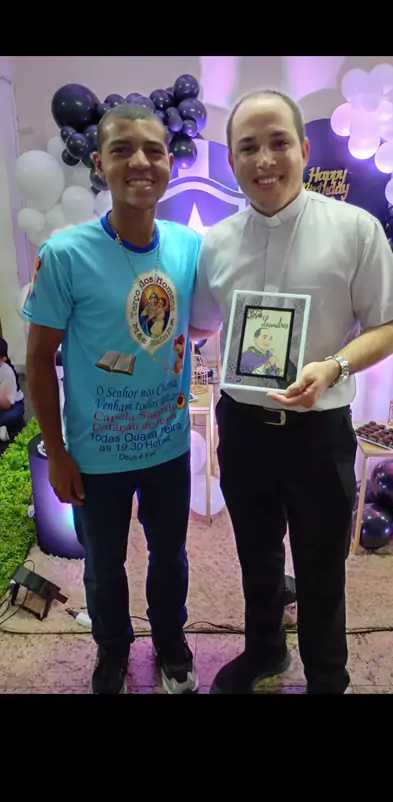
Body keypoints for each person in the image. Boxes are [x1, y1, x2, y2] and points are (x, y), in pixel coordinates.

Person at [190, 89, 393, 694]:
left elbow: (389, 326)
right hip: (244, 428)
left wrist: (334, 366)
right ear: (231, 160)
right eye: (248, 147)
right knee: (256, 556)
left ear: (305, 149)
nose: (264, 159)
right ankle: (265, 651)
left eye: (278, 142)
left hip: (319, 434)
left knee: (321, 567)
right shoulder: (215, 242)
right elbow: (203, 323)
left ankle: (327, 675)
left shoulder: (355, 229)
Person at [22, 103, 214, 695]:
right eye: (123, 149)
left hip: (167, 448)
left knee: (170, 558)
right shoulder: (65, 253)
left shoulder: (188, 246)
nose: (140, 162)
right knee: (104, 566)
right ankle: (111, 650)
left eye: (154, 150)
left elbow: (196, 324)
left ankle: (171, 641)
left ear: (170, 163)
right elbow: (38, 359)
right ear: (99, 162)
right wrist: (56, 453)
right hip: (96, 456)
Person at [0, 337, 25, 442]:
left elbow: (5, 405)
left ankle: (11, 429)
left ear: (3, 359)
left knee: (13, 415)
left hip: (12, 406)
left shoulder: (6, 371)